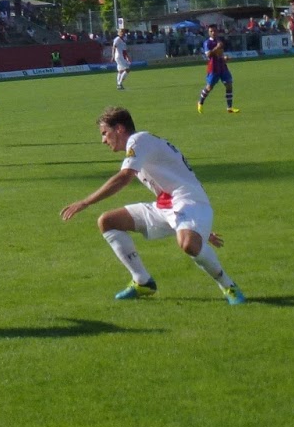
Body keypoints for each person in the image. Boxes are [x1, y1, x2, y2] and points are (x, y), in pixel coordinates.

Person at [60, 106, 245, 304]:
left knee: (188, 245)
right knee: (108, 221)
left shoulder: (138, 141)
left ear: (120, 129)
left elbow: (123, 178)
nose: (103, 140)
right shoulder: (140, 146)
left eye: (105, 133)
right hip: (166, 206)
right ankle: (142, 281)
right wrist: (201, 229)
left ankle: (229, 287)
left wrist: (85, 202)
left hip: (189, 201)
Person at [197, 25, 237, 113]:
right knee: (209, 87)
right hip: (213, 68)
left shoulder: (219, 41)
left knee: (229, 84)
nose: (213, 33)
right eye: (211, 31)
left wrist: (225, 58)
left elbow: (220, 54)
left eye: (214, 31)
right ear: (208, 32)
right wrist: (217, 47)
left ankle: (229, 108)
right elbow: (208, 55)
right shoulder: (207, 43)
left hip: (222, 66)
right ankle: (200, 102)